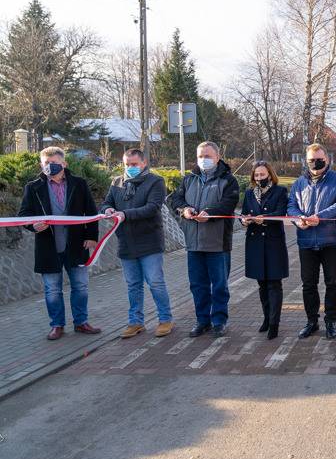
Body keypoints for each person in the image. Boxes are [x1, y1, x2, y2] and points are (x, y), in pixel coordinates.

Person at [18, 146, 102, 340]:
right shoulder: (33, 187)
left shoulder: (79, 184)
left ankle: (81, 322)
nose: (50, 166)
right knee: (52, 290)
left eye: (54, 162)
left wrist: (92, 236)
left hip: (77, 245)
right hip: (48, 246)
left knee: (80, 286)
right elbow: (24, 214)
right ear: (41, 165)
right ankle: (57, 325)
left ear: (64, 163)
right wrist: (33, 226)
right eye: (46, 163)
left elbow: (91, 211)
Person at [168, 141, 239, 338]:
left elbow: (229, 204)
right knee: (198, 285)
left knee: (219, 285)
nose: (203, 160)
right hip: (193, 242)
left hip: (218, 243)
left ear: (217, 157)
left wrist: (210, 213)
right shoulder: (189, 179)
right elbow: (176, 199)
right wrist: (185, 209)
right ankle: (202, 321)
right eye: (200, 156)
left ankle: (219, 321)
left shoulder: (228, 180)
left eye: (207, 156)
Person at [102, 148, 174, 339]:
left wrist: (125, 214)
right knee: (133, 285)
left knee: (155, 282)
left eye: (134, 164)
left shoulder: (155, 181)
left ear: (144, 163)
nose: (130, 168)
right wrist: (108, 209)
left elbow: (152, 208)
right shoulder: (116, 182)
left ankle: (165, 319)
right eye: (127, 164)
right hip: (126, 242)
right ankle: (135, 322)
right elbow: (106, 202)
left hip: (149, 241)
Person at [287, 143, 336, 340]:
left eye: (319, 159)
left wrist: (319, 217)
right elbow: (291, 205)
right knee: (308, 284)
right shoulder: (299, 183)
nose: (315, 163)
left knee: (333, 282)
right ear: (306, 161)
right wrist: (298, 219)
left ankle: (330, 321)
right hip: (306, 241)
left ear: (327, 159)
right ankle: (311, 322)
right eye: (311, 160)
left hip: (331, 241)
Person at [240, 161, 289, 340]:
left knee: (274, 284)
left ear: (270, 174)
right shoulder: (249, 193)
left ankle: (274, 323)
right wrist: (244, 220)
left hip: (273, 243)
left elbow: (282, 212)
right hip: (255, 243)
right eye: (257, 175)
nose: (259, 177)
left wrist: (265, 218)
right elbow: (244, 213)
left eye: (262, 174)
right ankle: (266, 318)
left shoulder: (280, 191)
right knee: (261, 284)